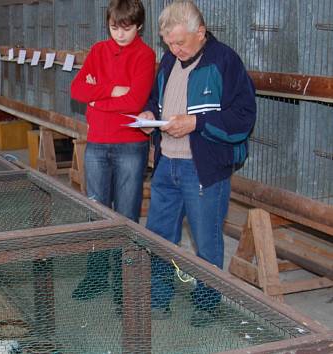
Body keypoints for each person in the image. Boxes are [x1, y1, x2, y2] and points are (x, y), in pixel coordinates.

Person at [138, 0, 256, 325]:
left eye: (180, 42)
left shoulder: (224, 61)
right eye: (169, 43)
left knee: (206, 242)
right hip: (167, 165)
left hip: (203, 169)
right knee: (159, 237)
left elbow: (243, 118)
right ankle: (158, 299)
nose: (174, 49)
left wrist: (195, 123)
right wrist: (150, 113)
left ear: (200, 32)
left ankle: (206, 304)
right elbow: (154, 98)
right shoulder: (168, 61)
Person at [69, 0, 155, 307]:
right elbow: (77, 90)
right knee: (96, 212)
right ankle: (95, 276)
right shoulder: (98, 51)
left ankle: (123, 282)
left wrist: (97, 98)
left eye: (127, 28)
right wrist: (111, 89)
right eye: (114, 27)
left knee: (126, 215)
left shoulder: (145, 55)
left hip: (130, 145)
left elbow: (135, 101)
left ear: (139, 26)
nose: (119, 34)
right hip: (97, 142)